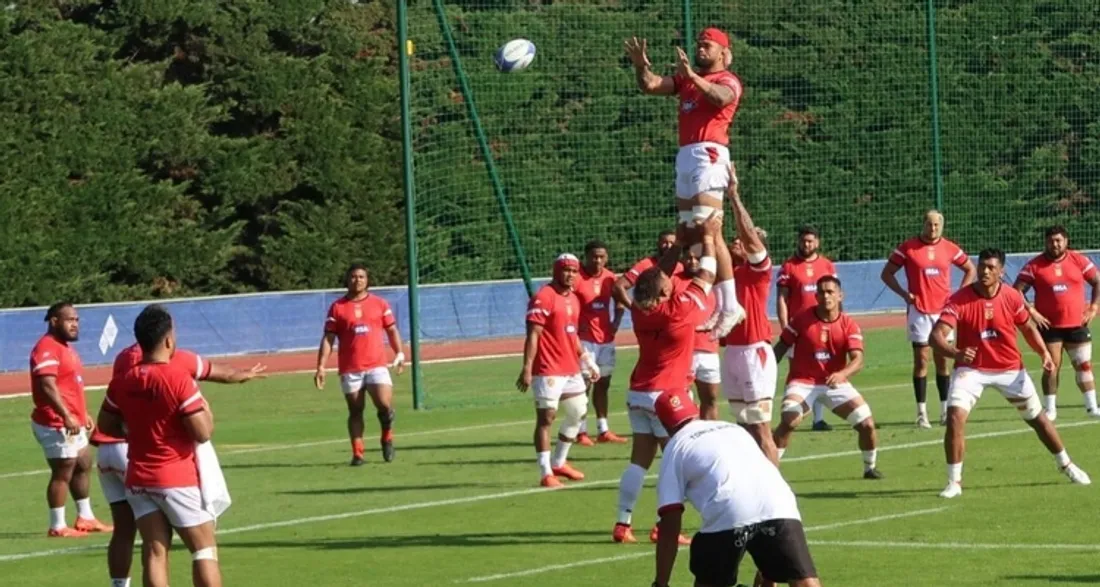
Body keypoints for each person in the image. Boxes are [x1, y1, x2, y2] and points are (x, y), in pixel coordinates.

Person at [95, 304, 267, 587]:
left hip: (138, 477)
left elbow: (106, 424)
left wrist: (139, 428)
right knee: (203, 550)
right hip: (175, 477)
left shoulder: (123, 380)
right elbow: (202, 432)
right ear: (168, 339)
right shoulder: (177, 378)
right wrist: (206, 411)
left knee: (154, 551)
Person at [932, 248, 1091, 499]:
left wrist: (1044, 354)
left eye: (991, 267)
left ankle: (1067, 465)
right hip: (971, 370)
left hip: (1009, 369)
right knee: (954, 417)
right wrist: (956, 353)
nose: (985, 271)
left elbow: (1027, 328)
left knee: (1038, 419)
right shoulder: (959, 299)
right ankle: (954, 482)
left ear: (1001, 272)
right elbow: (936, 336)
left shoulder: (1012, 297)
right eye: (982, 266)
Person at [613, 213, 727, 545]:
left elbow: (659, 275)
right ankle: (664, 528)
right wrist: (708, 238)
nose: (670, 280)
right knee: (679, 464)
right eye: (666, 282)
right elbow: (707, 273)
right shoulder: (678, 310)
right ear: (664, 291)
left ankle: (622, 523)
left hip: (638, 392)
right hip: (668, 396)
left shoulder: (638, 309)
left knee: (639, 459)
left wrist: (677, 244)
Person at [625, 26, 746, 337]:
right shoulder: (686, 82)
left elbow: (721, 98)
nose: (701, 49)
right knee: (694, 232)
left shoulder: (726, 80)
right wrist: (641, 66)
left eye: (707, 45)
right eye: (699, 44)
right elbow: (650, 85)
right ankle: (723, 305)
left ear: (722, 51)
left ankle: (730, 304)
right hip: (686, 155)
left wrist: (692, 76)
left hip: (709, 153)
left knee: (711, 228)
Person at [651, 390, 822, 587]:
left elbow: (670, 520)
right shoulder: (733, 429)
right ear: (696, 409)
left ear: (663, 425)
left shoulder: (675, 447)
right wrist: (768, 570)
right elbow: (758, 482)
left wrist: (660, 583)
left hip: (728, 512)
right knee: (805, 583)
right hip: (779, 504)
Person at [773, 277, 884, 480]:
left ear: (840, 296)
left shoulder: (849, 325)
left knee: (867, 425)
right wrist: (767, 371)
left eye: (831, 292)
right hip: (802, 382)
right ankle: (769, 469)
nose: (826, 296)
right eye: (822, 292)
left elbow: (858, 360)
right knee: (789, 420)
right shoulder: (801, 319)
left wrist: (842, 374)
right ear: (815, 296)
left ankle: (870, 468)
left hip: (835, 384)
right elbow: (781, 347)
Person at [881, 210, 976, 428]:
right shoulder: (908, 248)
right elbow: (886, 274)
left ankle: (944, 411)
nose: (932, 229)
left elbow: (970, 269)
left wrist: (959, 294)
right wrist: (905, 294)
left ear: (941, 226)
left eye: (936, 225)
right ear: (923, 224)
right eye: (929, 224)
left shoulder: (950, 248)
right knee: (921, 361)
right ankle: (921, 413)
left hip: (944, 312)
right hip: (920, 311)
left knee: (943, 361)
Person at [516, 254, 601, 487]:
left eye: (574, 271)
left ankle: (559, 462)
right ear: (556, 271)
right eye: (566, 270)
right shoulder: (544, 297)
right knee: (547, 418)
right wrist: (527, 367)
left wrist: (585, 359)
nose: (570, 274)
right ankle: (545, 473)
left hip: (570, 368)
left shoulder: (573, 299)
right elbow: (533, 334)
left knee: (578, 411)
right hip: (547, 368)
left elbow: (571, 333)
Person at [29, 301, 111, 538]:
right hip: (54, 422)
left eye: (77, 320)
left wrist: (81, 412)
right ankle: (57, 525)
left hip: (71, 421)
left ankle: (85, 517)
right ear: (54, 321)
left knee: (83, 462)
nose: (75, 324)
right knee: (63, 471)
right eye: (69, 320)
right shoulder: (46, 347)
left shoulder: (64, 347)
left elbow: (69, 385)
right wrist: (66, 415)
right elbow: (47, 385)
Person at [314, 264, 405, 466]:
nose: (358, 280)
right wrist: (321, 366)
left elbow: (391, 330)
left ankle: (387, 436)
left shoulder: (379, 304)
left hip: (376, 365)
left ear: (367, 280)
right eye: (354, 276)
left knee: (384, 404)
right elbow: (328, 338)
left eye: (361, 276)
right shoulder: (337, 307)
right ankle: (358, 454)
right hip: (350, 368)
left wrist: (399, 352)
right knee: (355, 410)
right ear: (348, 279)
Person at [719, 171, 780, 464]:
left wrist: (733, 197)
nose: (736, 242)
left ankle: (776, 493)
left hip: (755, 351)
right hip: (731, 352)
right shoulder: (726, 274)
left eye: (740, 240)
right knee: (742, 427)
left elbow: (751, 240)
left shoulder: (758, 272)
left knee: (760, 427)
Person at [1013, 226, 1100, 420]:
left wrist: (1093, 307)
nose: (1055, 244)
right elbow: (1016, 291)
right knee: (1051, 366)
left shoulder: (1078, 260)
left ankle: (1092, 407)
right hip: (1049, 327)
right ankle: (1050, 409)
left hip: (1077, 324)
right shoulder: (1034, 265)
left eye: (1058, 240)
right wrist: (1032, 311)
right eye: (1051, 241)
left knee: (1084, 365)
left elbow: (1097, 281)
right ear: (1045, 242)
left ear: (1066, 241)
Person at [777, 224, 838, 431]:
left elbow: (836, 297)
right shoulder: (789, 266)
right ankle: (788, 413)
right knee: (796, 372)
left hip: (823, 329)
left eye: (810, 240)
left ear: (817, 242)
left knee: (821, 370)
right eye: (803, 240)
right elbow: (782, 299)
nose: (807, 244)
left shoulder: (827, 266)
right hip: (798, 330)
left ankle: (818, 419)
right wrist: (786, 327)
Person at [574, 240, 627, 444]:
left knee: (604, 384)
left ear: (607, 258)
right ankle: (581, 432)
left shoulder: (610, 278)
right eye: (594, 256)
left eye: (601, 257)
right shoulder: (577, 278)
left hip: (606, 340)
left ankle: (603, 430)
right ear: (586, 257)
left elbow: (620, 299)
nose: (597, 260)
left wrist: (616, 323)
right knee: (584, 385)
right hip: (585, 341)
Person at [674, 246, 720, 419]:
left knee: (711, 398)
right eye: (688, 257)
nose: (692, 261)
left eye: (697, 258)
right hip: (684, 351)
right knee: (683, 398)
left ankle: (710, 434)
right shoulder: (674, 281)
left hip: (709, 348)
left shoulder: (713, 281)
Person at [612, 230, 681, 309]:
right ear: (658, 244)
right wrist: (634, 309)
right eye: (665, 242)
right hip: (651, 318)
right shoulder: (645, 265)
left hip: (674, 317)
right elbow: (618, 287)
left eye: (672, 243)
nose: (668, 246)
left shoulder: (680, 267)